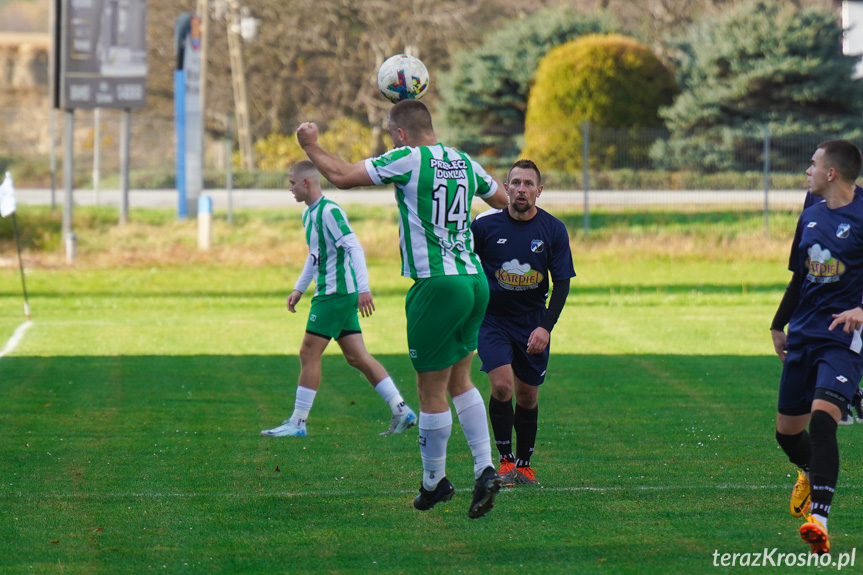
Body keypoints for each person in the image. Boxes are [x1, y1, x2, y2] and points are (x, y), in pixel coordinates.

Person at [296, 100, 510, 518]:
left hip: (437, 285)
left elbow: (341, 175)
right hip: (474, 279)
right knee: (460, 378)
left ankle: (434, 483)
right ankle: (485, 467)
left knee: (430, 391)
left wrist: (311, 145)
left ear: (399, 134)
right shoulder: (462, 160)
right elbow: (502, 199)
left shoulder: (408, 159)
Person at [260, 160, 417, 438]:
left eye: (292, 182)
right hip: (334, 294)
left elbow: (354, 247)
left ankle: (297, 423)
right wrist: (299, 288)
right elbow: (315, 255)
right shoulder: (309, 215)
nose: (290, 188)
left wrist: (363, 288)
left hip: (334, 295)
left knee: (308, 353)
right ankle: (401, 409)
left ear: (306, 183)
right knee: (357, 357)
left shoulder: (330, 212)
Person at [770, 139, 863, 554]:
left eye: (813, 165)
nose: (807, 171)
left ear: (833, 173)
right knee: (788, 434)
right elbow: (799, 278)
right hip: (803, 335)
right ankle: (808, 470)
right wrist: (777, 324)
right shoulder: (809, 213)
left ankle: (819, 520)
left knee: (823, 421)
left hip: (842, 340)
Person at [471, 159, 575, 487]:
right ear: (506, 188)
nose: (521, 189)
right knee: (502, 386)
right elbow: (466, 269)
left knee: (528, 396)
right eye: (515, 183)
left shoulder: (553, 229)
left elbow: (562, 283)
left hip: (532, 323)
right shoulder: (484, 226)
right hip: (493, 321)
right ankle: (504, 461)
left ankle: (525, 464)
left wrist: (545, 327)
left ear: (539, 191)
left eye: (528, 184)